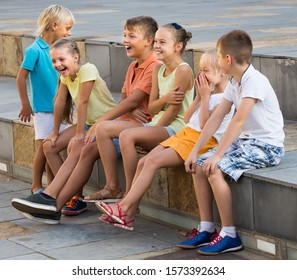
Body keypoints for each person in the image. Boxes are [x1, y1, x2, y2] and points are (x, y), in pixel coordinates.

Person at [10, 15, 160, 223]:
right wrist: (127, 108)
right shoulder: (133, 66)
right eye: (124, 35)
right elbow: (126, 99)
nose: (124, 39)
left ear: (149, 40)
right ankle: (53, 203)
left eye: (130, 36)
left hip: (133, 127)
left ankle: (53, 198)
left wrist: (104, 121)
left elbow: (124, 101)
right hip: (119, 123)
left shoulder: (154, 65)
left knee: (82, 144)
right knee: (64, 146)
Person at [96, 48, 234, 230]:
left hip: (201, 141)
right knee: (144, 161)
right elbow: (187, 119)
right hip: (185, 135)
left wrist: (206, 97)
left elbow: (204, 125)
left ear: (222, 71)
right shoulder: (206, 94)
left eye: (206, 71)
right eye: (200, 70)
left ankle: (123, 207)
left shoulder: (225, 98)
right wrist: (199, 98)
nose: (201, 75)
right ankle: (128, 214)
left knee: (152, 162)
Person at [178, 29, 285, 255]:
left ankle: (229, 234)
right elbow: (216, 118)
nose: (217, 60)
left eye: (218, 56)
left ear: (227, 59)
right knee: (198, 165)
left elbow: (238, 121)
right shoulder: (235, 82)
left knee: (214, 169)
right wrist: (195, 151)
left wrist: (218, 155)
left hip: (267, 147)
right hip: (247, 143)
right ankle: (207, 228)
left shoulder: (255, 81)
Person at [93, 22, 194, 202]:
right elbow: (153, 107)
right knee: (102, 128)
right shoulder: (158, 69)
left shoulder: (183, 71)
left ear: (178, 46)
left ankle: (130, 197)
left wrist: (148, 132)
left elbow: (172, 113)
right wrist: (164, 99)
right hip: (155, 124)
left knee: (127, 136)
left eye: (162, 42)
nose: (157, 46)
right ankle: (112, 186)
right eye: (156, 41)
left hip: (175, 129)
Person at [16, 5, 74, 194]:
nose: (69, 32)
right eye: (67, 28)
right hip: (43, 109)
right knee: (44, 148)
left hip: (61, 108)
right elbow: (20, 77)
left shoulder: (60, 50)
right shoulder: (35, 50)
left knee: (53, 148)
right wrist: (26, 104)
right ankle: (35, 185)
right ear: (55, 25)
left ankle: (52, 185)